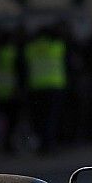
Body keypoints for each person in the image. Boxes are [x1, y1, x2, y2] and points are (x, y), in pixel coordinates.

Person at [24, 23, 68, 153]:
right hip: (55, 86)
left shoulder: (31, 48)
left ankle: (42, 145)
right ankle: (50, 145)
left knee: (39, 119)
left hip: (36, 87)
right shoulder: (57, 46)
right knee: (51, 118)